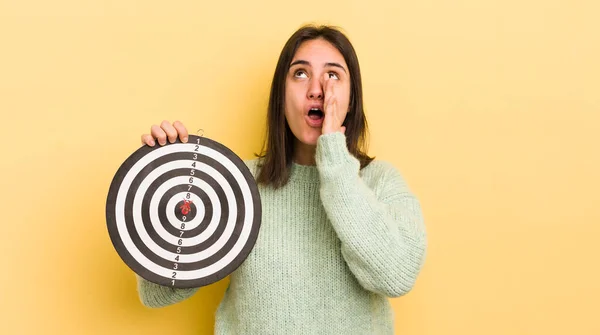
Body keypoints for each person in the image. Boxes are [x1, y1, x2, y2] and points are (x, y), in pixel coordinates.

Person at [136, 24, 427, 334]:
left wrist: (335, 161)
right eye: (300, 74)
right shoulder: (238, 184)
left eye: (333, 75)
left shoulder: (380, 181)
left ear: (351, 100)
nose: (317, 89)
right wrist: (168, 181)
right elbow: (158, 293)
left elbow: (396, 275)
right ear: (280, 98)